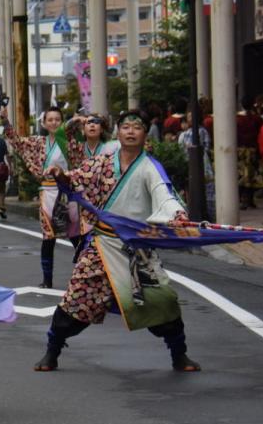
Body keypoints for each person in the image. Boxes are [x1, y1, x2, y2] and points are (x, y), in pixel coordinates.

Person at [34, 109, 200, 373]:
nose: (131, 131)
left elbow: (165, 196)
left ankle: (179, 355)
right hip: (102, 244)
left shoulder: (150, 167)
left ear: (145, 134)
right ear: (118, 132)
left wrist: (178, 215)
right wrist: (61, 175)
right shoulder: (103, 162)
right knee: (77, 298)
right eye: (126, 127)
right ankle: (52, 351)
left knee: (163, 300)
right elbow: (78, 178)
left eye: (137, 127)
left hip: (137, 249)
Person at [3, 105, 79, 288]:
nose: (54, 123)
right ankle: (47, 279)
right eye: (50, 119)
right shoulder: (38, 143)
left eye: (57, 119)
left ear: (62, 122)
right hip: (48, 192)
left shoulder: (71, 142)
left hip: (69, 192)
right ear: (44, 123)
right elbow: (17, 141)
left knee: (76, 235)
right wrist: (5, 121)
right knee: (48, 237)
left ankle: (83, 278)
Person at [236, 98, 263, 210]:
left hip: (239, 151)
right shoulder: (257, 119)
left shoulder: (236, 119)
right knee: (252, 176)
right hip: (253, 150)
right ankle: (249, 199)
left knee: (241, 175)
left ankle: (241, 199)